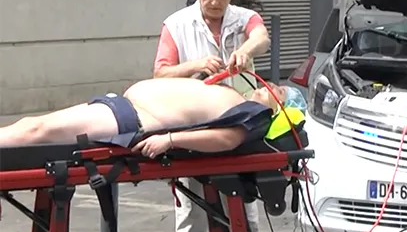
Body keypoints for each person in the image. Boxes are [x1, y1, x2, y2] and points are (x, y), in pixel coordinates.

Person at [152, 0, 272, 232]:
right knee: (191, 212)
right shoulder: (176, 25)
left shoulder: (243, 18)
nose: (215, 2)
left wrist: (245, 52)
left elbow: (261, 36)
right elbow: (160, 74)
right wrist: (195, 66)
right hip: (193, 126)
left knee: (243, 208)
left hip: (237, 125)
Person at [0, 77, 307, 151]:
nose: (271, 87)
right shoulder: (236, 96)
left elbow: (227, 139)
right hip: (123, 108)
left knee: (35, 130)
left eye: (278, 91)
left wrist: (170, 140)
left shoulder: (255, 115)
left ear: (281, 107)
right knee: (33, 126)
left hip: (132, 119)